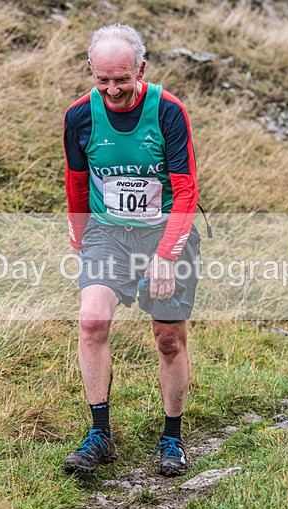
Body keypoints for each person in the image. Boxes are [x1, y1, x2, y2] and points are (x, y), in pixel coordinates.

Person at [62, 23, 201, 476]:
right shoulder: (80, 117)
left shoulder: (168, 111)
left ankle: (172, 438)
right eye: (102, 80)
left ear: (141, 68)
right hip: (107, 232)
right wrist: (81, 236)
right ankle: (99, 434)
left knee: (167, 338)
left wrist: (165, 256)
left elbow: (185, 191)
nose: (113, 89)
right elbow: (77, 182)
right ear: (91, 71)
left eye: (122, 79)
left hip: (163, 230)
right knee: (92, 320)